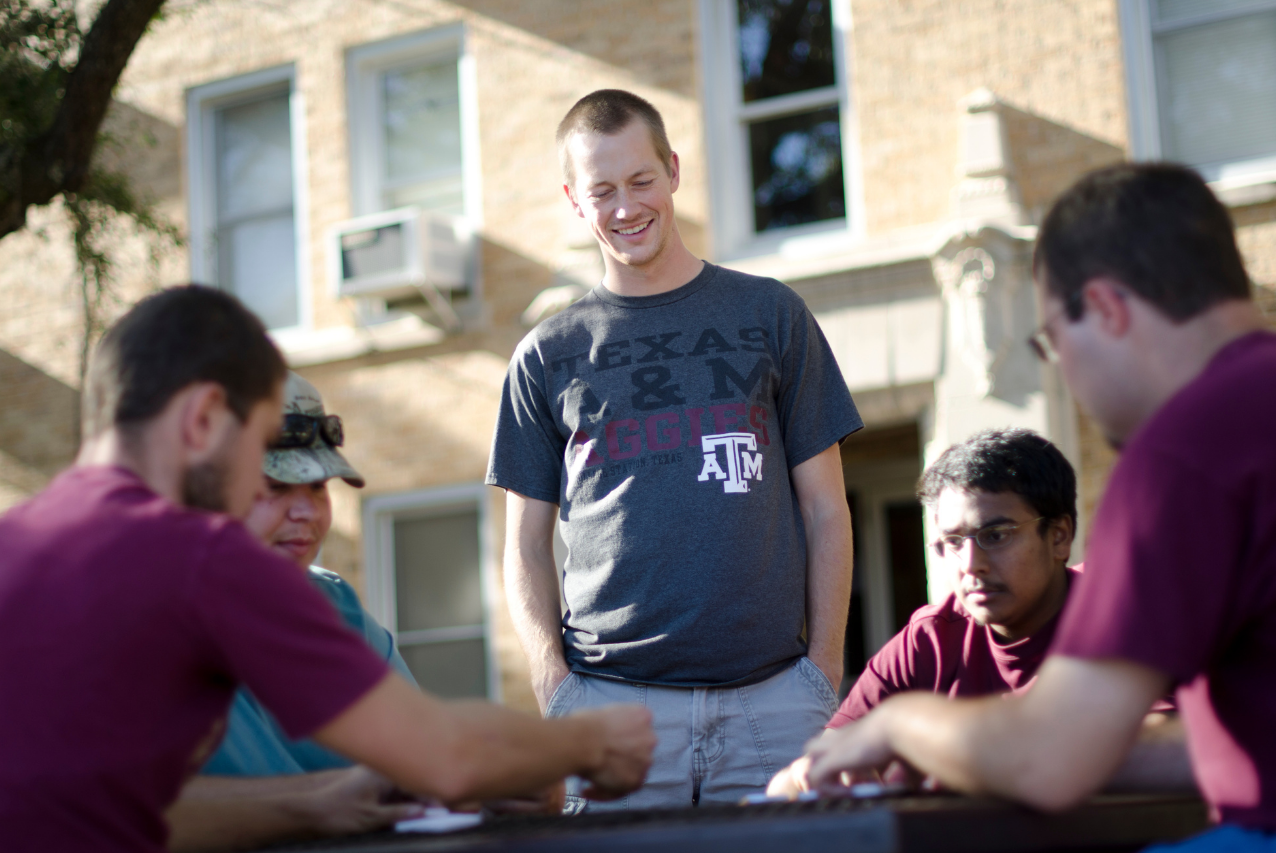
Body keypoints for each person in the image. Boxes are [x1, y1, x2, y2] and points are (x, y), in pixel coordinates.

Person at [0, 285, 655, 853]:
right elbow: (446, 755)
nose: (277, 505)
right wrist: (593, 740)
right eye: (259, 452)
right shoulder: (198, 552)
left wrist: (326, 799)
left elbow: (125, 809)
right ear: (202, 419)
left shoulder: (16, 544)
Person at [802, 163, 1274, 847]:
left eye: (1052, 340)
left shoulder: (1187, 447)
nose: (1067, 373)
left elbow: (1050, 759)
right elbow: (1218, 744)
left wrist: (898, 726)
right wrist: (965, 758)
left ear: (1107, 308)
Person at [486, 89, 862, 811]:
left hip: (774, 705)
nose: (625, 207)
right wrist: (552, 682)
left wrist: (823, 670)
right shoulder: (546, 354)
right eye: (602, 190)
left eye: (640, 180)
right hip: (609, 709)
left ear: (674, 172)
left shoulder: (772, 315)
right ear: (574, 201)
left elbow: (825, 508)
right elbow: (525, 546)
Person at [166, 372, 427, 851]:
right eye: (274, 486)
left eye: (318, 487)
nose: (307, 513)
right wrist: (321, 803)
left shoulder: (334, 608)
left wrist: (504, 780)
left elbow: (423, 754)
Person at [768, 428, 1080, 797]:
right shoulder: (930, 640)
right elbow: (790, 783)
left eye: (995, 536)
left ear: (1059, 535)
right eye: (952, 542)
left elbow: (1149, 745)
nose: (970, 564)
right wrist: (816, 775)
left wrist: (912, 731)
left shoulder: (1119, 610)